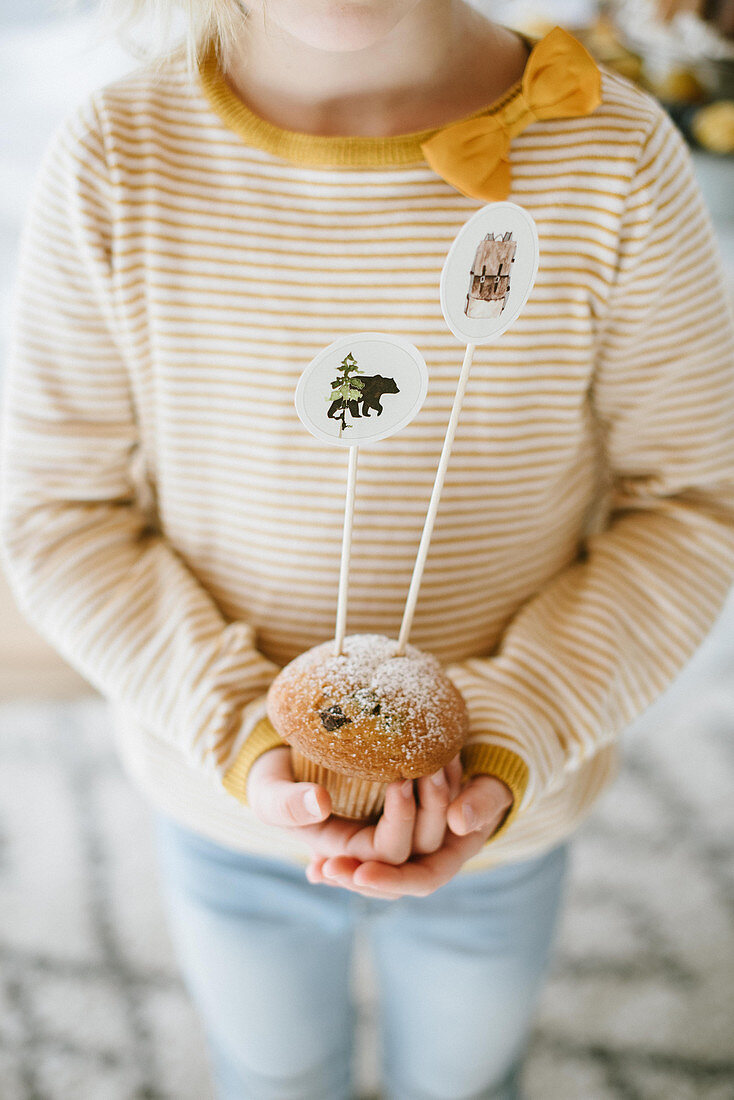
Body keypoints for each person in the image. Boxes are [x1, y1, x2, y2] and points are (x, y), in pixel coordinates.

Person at [2, 1, 733, 1097]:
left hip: (504, 811)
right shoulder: (119, 154)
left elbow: (690, 502)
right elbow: (58, 511)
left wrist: (515, 726)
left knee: (468, 1075)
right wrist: (238, 729)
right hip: (223, 806)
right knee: (268, 1069)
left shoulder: (608, 152)